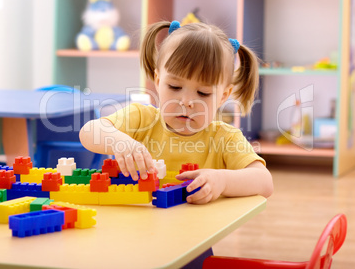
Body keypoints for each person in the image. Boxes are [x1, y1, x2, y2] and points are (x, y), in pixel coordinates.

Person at [79, 20, 273, 204]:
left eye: (203, 93)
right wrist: (119, 142)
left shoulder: (226, 138)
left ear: (223, 96)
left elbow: (264, 182)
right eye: (174, 87)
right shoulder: (141, 118)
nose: (186, 102)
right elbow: (89, 131)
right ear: (157, 80)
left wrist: (223, 181)